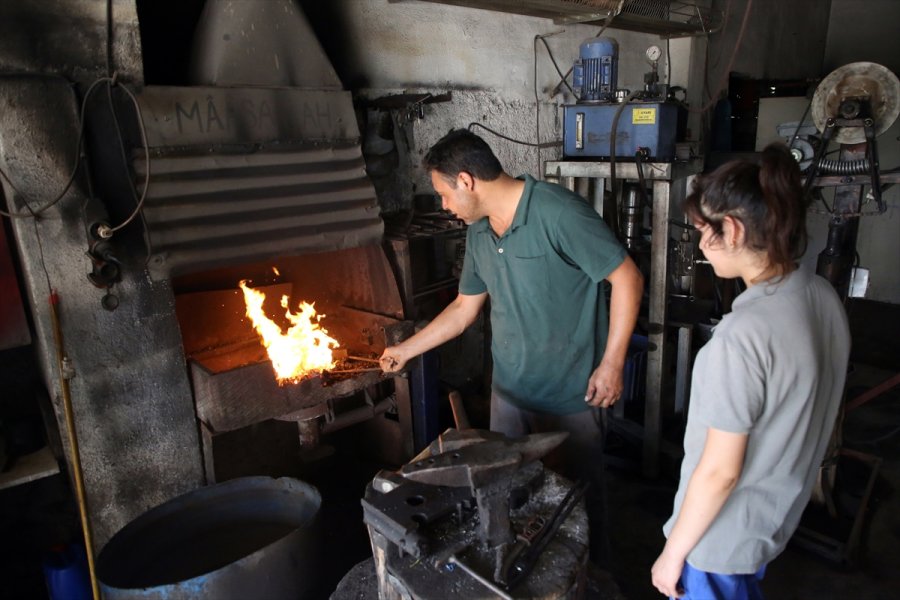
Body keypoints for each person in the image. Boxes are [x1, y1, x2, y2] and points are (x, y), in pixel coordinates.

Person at [380, 129, 644, 564]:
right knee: (512, 502)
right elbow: (465, 309)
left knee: (578, 504)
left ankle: (594, 582)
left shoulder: (558, 214)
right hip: (510, 394)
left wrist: (612, 363)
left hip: (571, 393)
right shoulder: (480, 232)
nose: (444, 205)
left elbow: (627, 278)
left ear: (466, 181)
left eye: (443, 193)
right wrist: (406, 350)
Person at [650, 143, 851, 599]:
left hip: (718, 543)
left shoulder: (741, 338)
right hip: (772, 521)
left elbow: (720, 472)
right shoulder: (821, 296)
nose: (701, 244)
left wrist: (673, 553)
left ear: (734, 230)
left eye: (705, 231)